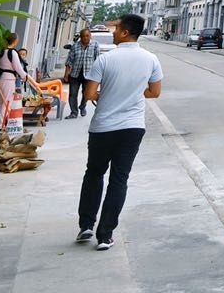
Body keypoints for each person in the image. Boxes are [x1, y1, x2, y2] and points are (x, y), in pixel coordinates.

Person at [77, 13, 162, 251]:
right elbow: (155, 92)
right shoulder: (150, 59)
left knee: (94, 173)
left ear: (125, 32)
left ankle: (86, 224)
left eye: (116, 30)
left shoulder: (105, 59)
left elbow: (89, 94)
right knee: (119, 179)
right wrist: (133, 94)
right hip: (133, 128)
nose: (113, 33)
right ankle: (105, 235)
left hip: (103, 127)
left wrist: (107, 95)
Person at [63, 29, 100, 120]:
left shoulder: (95, 45)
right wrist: (66, 74)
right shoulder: (75, 46)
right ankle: (74, 112)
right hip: (75, 74)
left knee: (86, 93)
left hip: (88, 74)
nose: (85, 38)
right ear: (80, 37)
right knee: (73, 94)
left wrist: (97, 75)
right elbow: (69, 61)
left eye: (87, 36)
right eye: (83, 36)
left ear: (90, 36)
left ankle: (82, 107)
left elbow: (97, 60)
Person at [0, 33, 28, 129]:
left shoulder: (1, 51)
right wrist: (24, 76)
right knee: (7, 102)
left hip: (0, 78)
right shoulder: (12, 53)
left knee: (1, 102)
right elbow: (17, 67)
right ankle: (0, 125)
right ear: (15, 41)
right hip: (8, 79)